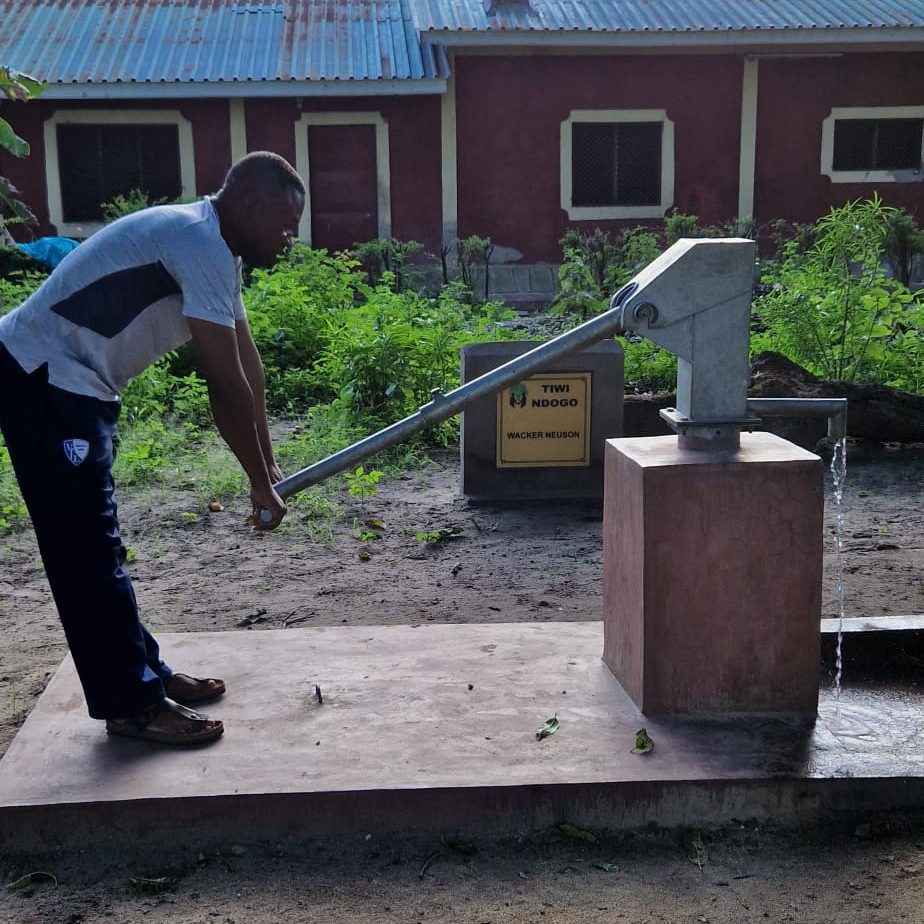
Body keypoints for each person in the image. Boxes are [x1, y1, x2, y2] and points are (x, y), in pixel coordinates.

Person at [0, 151, 305, 746]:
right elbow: (223, 383)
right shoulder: (196, 240)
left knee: (97, 541)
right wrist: (257, 483)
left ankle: (146, 675)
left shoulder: (211, 245)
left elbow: (250, 368)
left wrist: (267, 465)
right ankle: (133, 705)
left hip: (71, 383)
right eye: (286, 221)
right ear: (247, 204)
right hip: (42, 377)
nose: (291, 236)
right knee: (86, 548)